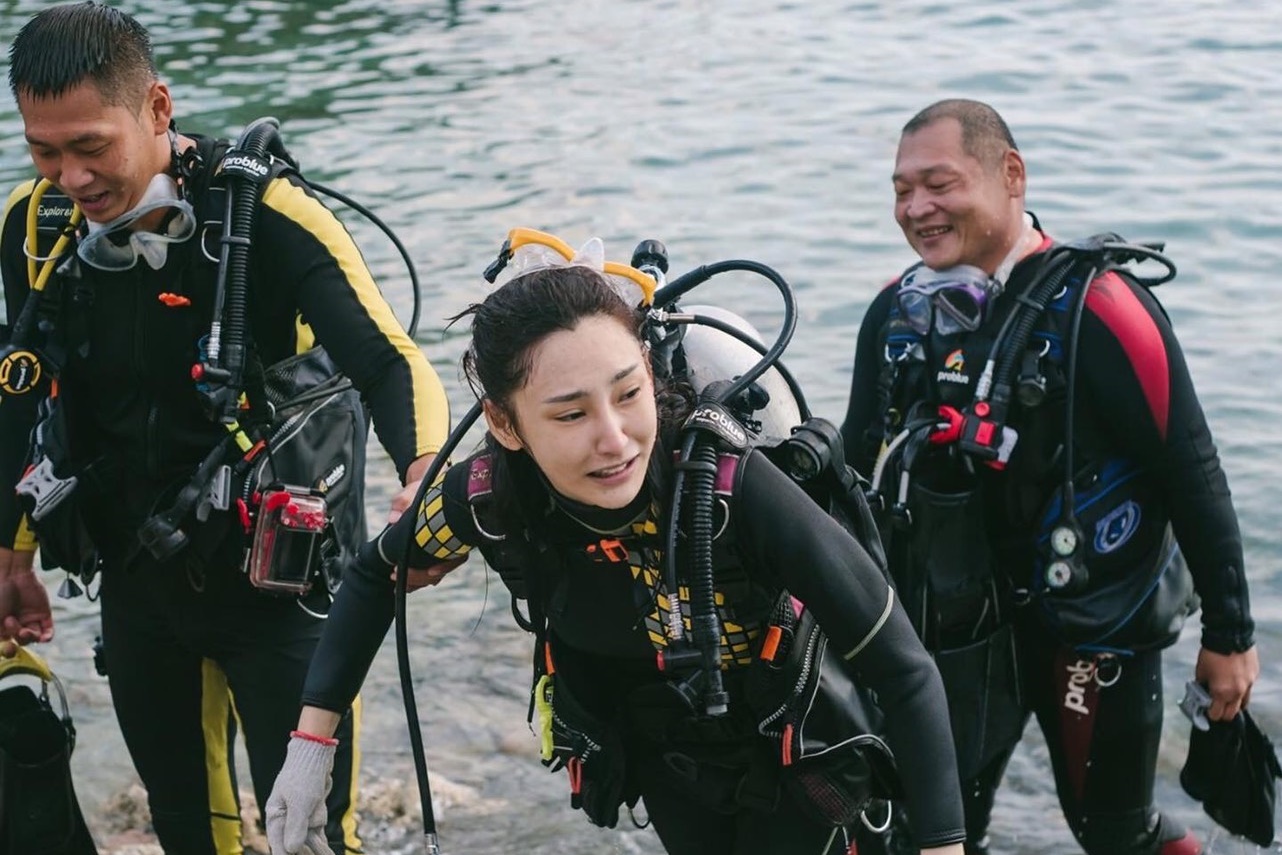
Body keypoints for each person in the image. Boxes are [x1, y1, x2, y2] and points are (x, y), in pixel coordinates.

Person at [262, 238, 969, 855]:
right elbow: (373, 573)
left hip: (797, 753)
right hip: (664, 751)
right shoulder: (486, 495)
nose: (615, 438)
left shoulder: (729, 488)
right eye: (570, 413)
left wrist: (945, 844)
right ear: (505, 424)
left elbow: (905, 670)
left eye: (629, 394)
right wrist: (310, 746)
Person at [0, 3, 449, 853]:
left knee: (310, 837)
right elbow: (25, 389)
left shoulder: (268, 215)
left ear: (157, 108)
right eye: (44, 151)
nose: (71, 177)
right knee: (188, 833)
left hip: (281, 589)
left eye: (91, 146)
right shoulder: (35, 227)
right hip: (138, 579)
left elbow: (389, 361)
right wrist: (11, 552)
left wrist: (426, 473)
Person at [840, 98, 1260, 855]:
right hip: (958, 635)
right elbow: (851, 475)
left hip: (1093, 631)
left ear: (1011, 174)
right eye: (901, 190)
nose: (916, 207)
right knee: (932, 834)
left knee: (1118, 835)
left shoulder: (1102, 310)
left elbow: (1191, 471)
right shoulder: (894, 318)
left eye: (939, 183)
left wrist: (1229, 638)